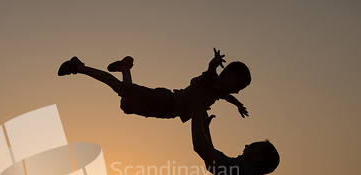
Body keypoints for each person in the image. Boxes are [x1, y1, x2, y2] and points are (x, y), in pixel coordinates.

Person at [58, 48, 251, 122]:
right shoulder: (213, 80)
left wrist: (238, 105)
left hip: (169, 112)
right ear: (228, 75)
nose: (237, 90)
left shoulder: (218, 92)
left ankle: (125, 67)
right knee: (120, 88)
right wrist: (215, 62)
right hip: (166, 99)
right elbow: (210, 70)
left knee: (126, 105)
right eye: (238, 84)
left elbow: (228, 97)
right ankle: (79, 66)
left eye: (240, 90)